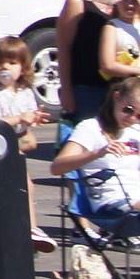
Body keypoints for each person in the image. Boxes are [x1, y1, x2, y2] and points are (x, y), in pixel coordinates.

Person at [51, 76, 140, 235]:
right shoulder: (90, 128)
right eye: (128, 109)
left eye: (139, 115)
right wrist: (98, 153)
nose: (132, 118)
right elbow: (57, 167)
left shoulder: (135, 132)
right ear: (116, 97)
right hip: (110, 204)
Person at [58, 0, 140, 125]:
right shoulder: (78, 1)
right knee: (86, 134)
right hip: (86, 88)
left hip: (118, 90)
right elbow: (63, 47)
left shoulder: (124, 4)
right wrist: (66, 90)